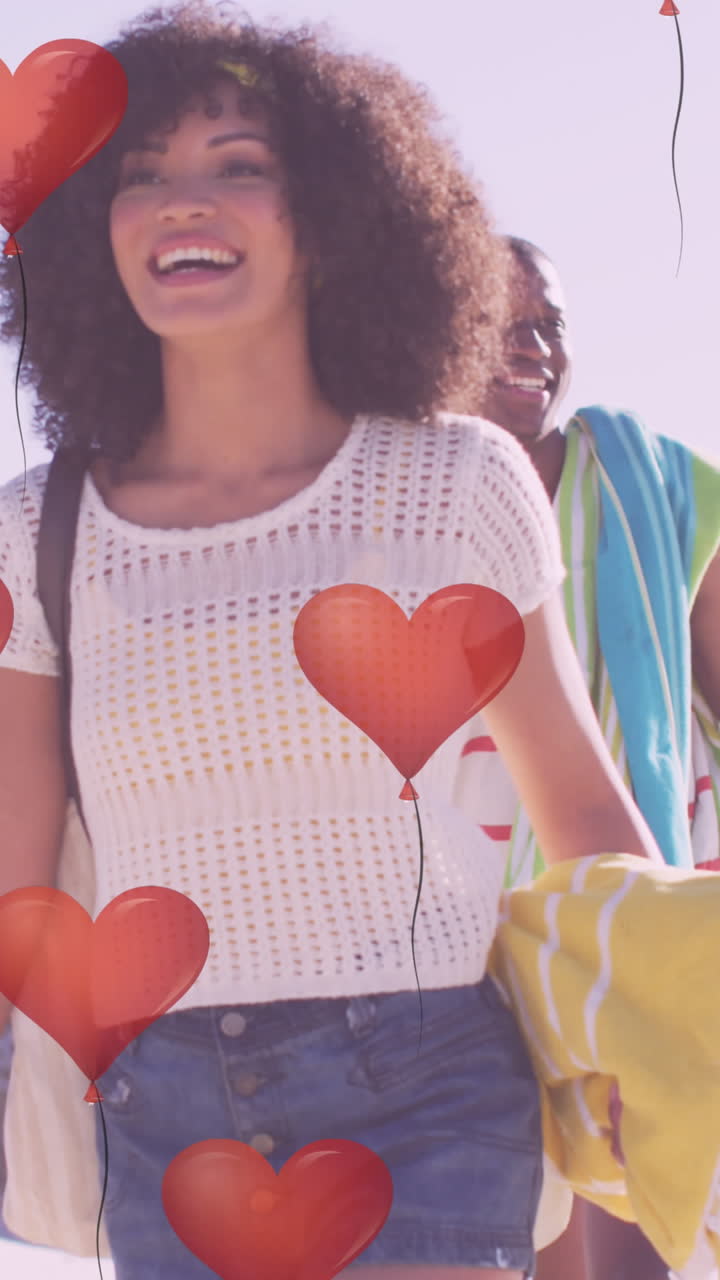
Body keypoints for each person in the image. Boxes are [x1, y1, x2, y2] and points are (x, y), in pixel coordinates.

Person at [0, 7, 663, 1278]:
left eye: (240, 164)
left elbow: (580, 805)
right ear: (94, 232)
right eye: (143, 176)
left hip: (428, 1087)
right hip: (164, 1125)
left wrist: (667, 1027)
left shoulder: (457, 483)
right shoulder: (38, 530)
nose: (185, 202)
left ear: (334, 221)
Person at [471, 235, 720, 1280]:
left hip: (618, 914)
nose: (530, 344)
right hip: (460, 938)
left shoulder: (663, 488)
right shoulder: (386, 496)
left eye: (549, 324)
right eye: (499, 320)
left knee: (630, 1229)